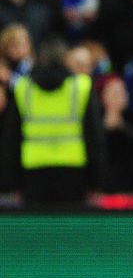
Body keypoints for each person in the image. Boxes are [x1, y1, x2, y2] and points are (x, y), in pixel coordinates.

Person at [0, 38, 105, 206]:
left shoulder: (22, 88)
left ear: (39, 58)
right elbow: (95, 138)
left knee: (37, 231)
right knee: (70, 230)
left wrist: (12, 182)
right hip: (73, 170)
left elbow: (10, 140)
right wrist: (95, 181)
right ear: (65, 59)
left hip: (33, 171)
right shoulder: (81, 86)